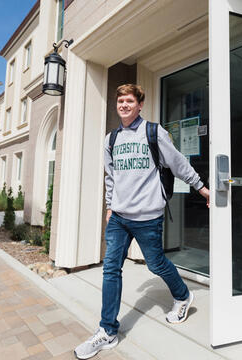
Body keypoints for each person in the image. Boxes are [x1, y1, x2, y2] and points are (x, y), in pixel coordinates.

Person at [74, 84, 210, 359]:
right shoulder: (110, 139)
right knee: (111, 269)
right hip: (120, 218)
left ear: (139, 105)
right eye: (120, 101)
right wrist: (110, 206)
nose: (123, 105)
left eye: (129, 101)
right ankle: (107, 331)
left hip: (148, 217)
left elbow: (178, 163)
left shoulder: (153, 132)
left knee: (156, 263)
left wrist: (201, 187)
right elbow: (110, 177)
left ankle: (183, 295)